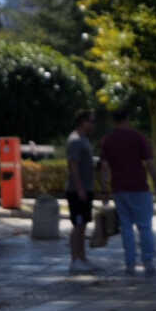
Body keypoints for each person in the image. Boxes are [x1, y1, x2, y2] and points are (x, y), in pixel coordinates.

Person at [99, 108, 156, 276]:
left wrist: (105, 190)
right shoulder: (139, 137)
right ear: (128, 118)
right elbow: (149, 164)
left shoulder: (108, 140)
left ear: (114, 121)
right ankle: (148, 262)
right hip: (139, 188)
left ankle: (130, 264)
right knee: (145, 227)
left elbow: (104, 168)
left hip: (119, 189)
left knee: (126, 228)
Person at [65, 109, 99, 275]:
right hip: (78, 191)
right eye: (91, 121)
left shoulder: (84, 140)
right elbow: (73, 166)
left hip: (86, 189)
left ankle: (82, 258)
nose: (93, 125)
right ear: (82, 122)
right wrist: (80, 188)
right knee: (78, 225)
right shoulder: (75, 140)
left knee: (83, 224)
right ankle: (74, 259)